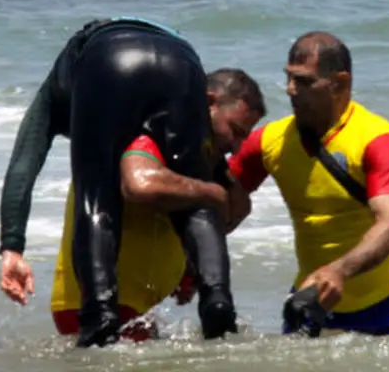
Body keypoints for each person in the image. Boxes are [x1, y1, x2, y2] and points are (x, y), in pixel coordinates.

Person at [0, 17, 247, 347]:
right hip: (183, 62)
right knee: (196, 198)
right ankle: (218, 305)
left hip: (108, 58)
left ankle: (99, 319)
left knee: (96, 202)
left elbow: (25, 160)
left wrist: (12, 246)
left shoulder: (58, 87)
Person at [227, 31, 389, 337]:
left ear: (340, 83)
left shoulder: (376, 140)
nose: (291, 90)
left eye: (305, 82)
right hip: (312, 301)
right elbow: (222, 204)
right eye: (289, 79)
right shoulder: (269, 142)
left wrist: (339, 271)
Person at [49, 68, 266, 341]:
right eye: (234, 131)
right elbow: (140, 185)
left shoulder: (193, 152)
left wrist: (186, 264)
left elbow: (236, 210)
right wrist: (212, 192)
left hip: (130, 304)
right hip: (101, 300)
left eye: (243, 137)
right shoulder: (152, 132)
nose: (235, 146)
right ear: (208, 102)